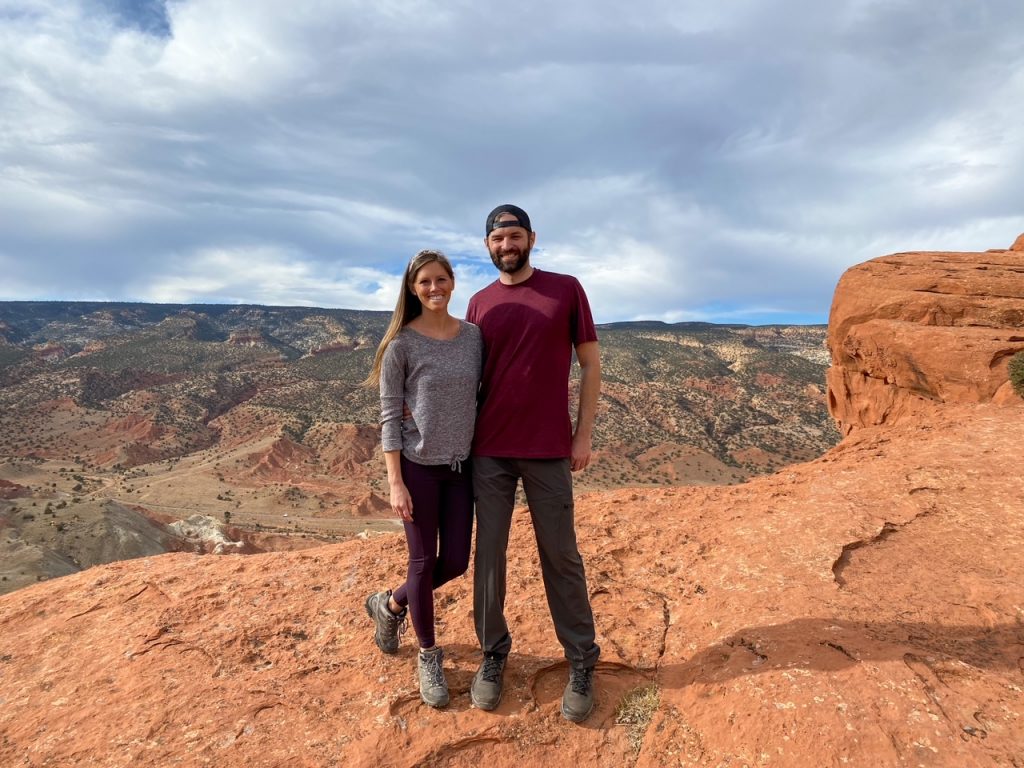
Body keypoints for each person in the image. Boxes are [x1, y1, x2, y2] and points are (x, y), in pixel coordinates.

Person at [466, 204, 602, 722]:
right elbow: (469, 379)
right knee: (490, 556)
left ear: (531, 238)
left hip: (548, 448)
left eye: (516, 235)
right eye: (499, 238)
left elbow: (589, 362)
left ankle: (582, 659)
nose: (508, 244)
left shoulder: (565, 289)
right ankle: (492, 653)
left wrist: (582, 432)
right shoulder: (478, 304)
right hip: (490, 450)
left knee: (560, 554)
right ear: (488, 245)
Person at [363, 249, 482, 709]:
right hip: (417, 468)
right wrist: (395, 482)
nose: (435, 289)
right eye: (425, 283)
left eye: (441, 280)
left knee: (454, 562)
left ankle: (390, 605)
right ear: (413, 290)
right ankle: (428, 654)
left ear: (453, 282)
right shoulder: (402, 346)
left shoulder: (473, 337)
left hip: (461, 468)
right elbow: (390, 416)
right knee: (421, 560)